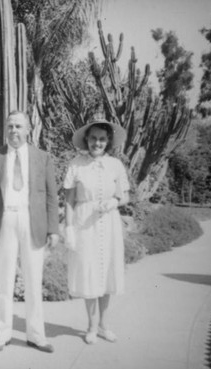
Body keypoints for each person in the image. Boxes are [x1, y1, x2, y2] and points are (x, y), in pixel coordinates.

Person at [0, 110, 60, 354]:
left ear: (28, 129)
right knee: (3, 281)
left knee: (34, 281)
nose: (14, 131)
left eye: (19, 126)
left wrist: (53, 229)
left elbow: (51, 195)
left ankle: (36, 335)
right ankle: (2, 335)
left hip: (31, 221)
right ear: (6, 129)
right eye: (10, 126)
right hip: (4, 221)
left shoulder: (42, 157)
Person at [63, 119, 129, 345]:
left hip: (109, 222)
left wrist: (114, 202)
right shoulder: (76, 164)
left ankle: (103, 325)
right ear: (86, 139)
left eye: (102, 139)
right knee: (90, 272)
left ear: (108, 141)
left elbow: (125, 195)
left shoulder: (115, 165)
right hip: (85, 223)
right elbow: (69, 201)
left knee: (106, 271)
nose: (97, 143)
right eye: (93, 138)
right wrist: (69, 228)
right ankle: (91, 326)